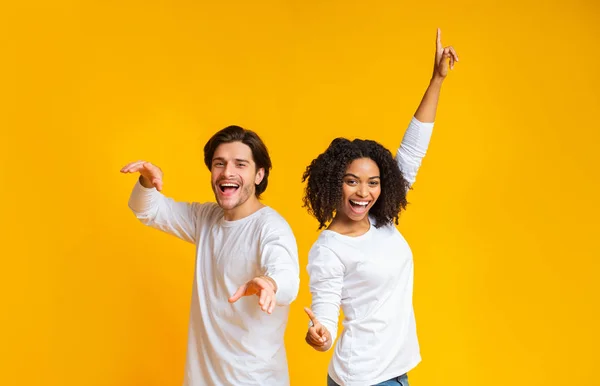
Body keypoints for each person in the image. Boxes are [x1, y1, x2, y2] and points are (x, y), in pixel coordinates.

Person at [302, 29, 459, 386]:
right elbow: (324, 310)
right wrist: (320, 335)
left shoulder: (382, 220)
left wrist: (436, 80)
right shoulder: (329, 249)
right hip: (363, 378)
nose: (363, 192)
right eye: (351, 181)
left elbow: (413, 149)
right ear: (333, 184)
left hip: (396, 372)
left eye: (373, 182)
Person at [120, 125, 300, 385]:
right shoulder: (206, 218)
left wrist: (270, 283)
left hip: (253, 380)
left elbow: (287, 280)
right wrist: (147, 181)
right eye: (219, 163)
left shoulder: (271, 227)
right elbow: (148, 210)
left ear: (259, 174)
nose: (227, 172)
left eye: (240, 164)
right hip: (202, 378)